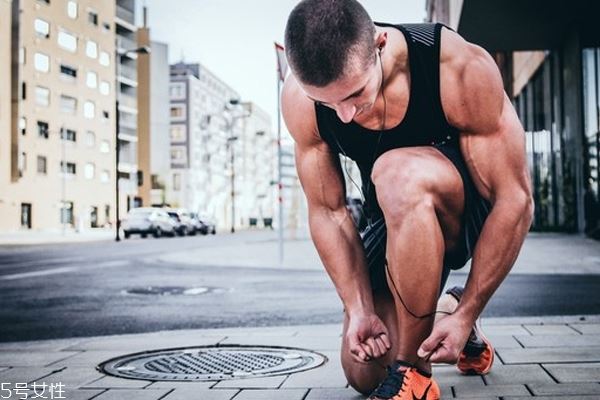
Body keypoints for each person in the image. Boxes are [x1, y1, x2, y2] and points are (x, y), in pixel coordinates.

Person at [281, 1, 534, 399]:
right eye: (329, 104)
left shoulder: (455, 66)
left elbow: (514, 199)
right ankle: (440, 314)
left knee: (396, 172)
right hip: (391, 216)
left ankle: (414, 374)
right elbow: (328, 212)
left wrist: (471, 309)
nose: (344, 115)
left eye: (354, 94)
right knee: (364, 371)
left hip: (463, 211)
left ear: (380, 44)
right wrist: (359, 308)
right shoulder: (300, 100)